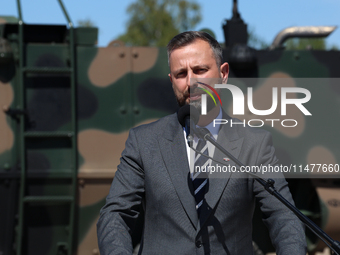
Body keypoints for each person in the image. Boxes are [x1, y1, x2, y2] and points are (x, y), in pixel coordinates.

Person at [97, 31, 307, 255]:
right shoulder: (144, 142)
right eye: (181, 73)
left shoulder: (255, 143)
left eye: (200, 70)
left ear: (223, 73)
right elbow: (115, 215)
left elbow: (284, 216)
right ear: (171, 81)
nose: (191, 82)